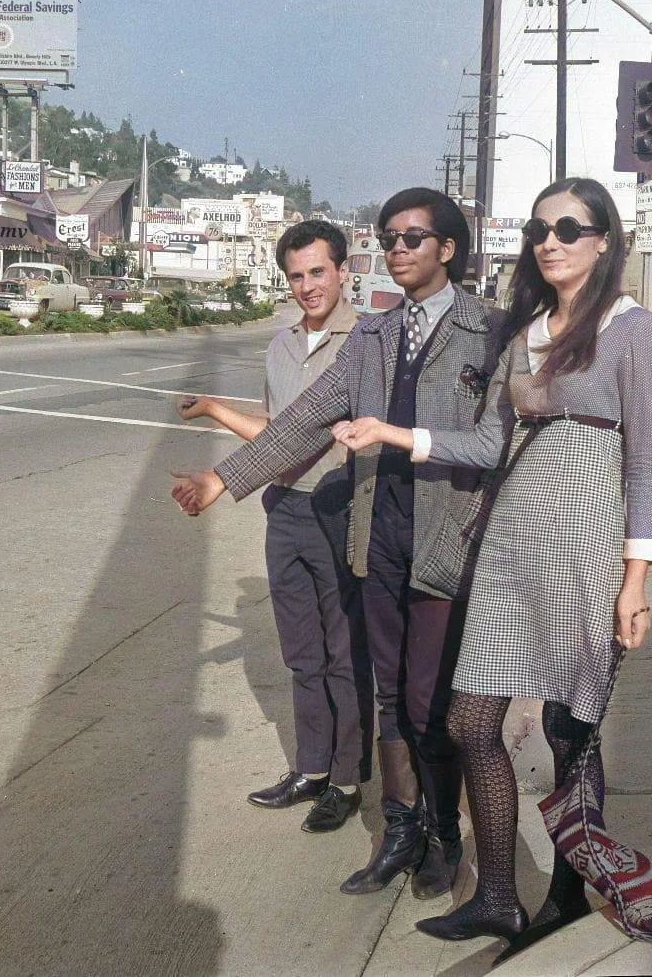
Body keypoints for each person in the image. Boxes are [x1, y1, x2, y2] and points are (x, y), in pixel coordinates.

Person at [332, 177, 652, 963]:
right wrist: (394, 432)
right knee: (470, 721)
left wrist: (636, 581)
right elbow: (486, 445)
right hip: (512, 539)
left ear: (604, 240)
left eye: (570, 227)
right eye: (539, 229)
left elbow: (647, 466)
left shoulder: (633, 329)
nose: (551, 240)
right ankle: (496, 896)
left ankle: (565, 895)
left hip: (587, 536)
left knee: (567, 729)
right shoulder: (522, 332)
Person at [172, 187, 508, 900]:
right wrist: (223, 480)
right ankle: (400, 832)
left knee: (431, 700)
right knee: (389, 695)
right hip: (378, 534)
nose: (397, 248)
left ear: (448, 249)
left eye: (413, 238)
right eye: (388, 236)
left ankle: (445, 837)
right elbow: (301, 425)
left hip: (448, 536)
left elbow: (496, 443)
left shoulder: (489, 330)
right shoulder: (373, 339)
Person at [177, 220, 372, 834]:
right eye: (296, 275)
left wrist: (222, 480)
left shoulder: (366, 342)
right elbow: (277, 431)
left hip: (337, 507)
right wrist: (215, 409)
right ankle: (311, 768)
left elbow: (310, 434)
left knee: (344, 653)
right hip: (284, 509)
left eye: (318, 271)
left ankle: (346, 778)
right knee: (301, 651)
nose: (308, 286)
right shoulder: (281, 345)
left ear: (344, 269)